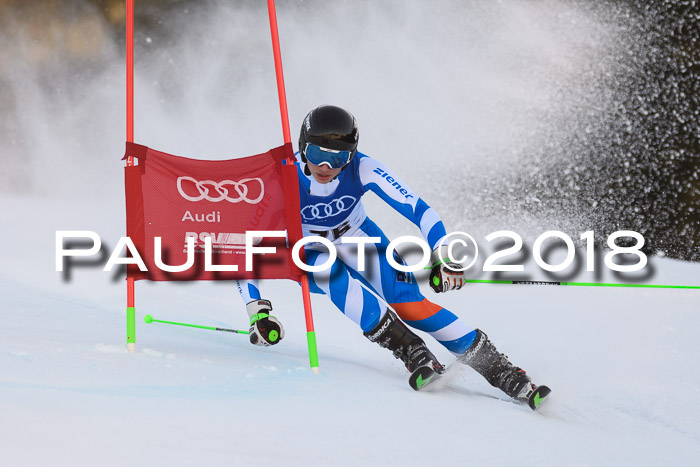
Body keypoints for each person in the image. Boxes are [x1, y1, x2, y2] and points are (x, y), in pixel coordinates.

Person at [237, 105, 547, 405]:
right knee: (327, 270)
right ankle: (411, 351)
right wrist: (257, 311)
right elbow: (243, 245)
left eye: (338, 159)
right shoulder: (280, 177)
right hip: (309, 249)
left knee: (410, 305)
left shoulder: (362, 166)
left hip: (358, 237)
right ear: (303, 147)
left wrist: (443, 255)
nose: (326, 168)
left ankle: (502, 371)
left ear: (351, 155)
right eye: (317, 155)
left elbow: (419, 210)